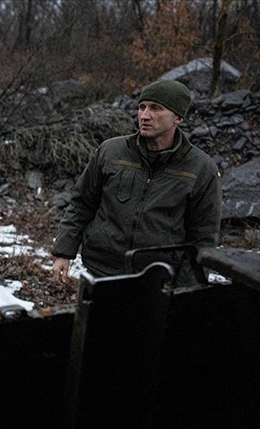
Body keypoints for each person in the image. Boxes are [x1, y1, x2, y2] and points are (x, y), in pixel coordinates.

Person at [51, 79, 222, 286]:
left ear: (178, 117)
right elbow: (81, 204)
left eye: (156, 108)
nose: (145, 115)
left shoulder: (200, 168)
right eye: (142, 107)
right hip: (102, 271)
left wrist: (190, 287)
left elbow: (203, 236)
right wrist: (63, 253)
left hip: (158, 279)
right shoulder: (111, 151)